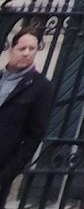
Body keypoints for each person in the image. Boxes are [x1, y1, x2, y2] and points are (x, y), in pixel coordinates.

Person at [0, 26, 54, 208]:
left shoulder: (40, 87)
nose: (27, 53)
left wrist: (7, 175)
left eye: (32, 49)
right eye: (22, 48)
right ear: (11, 49)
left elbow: (34, 136)